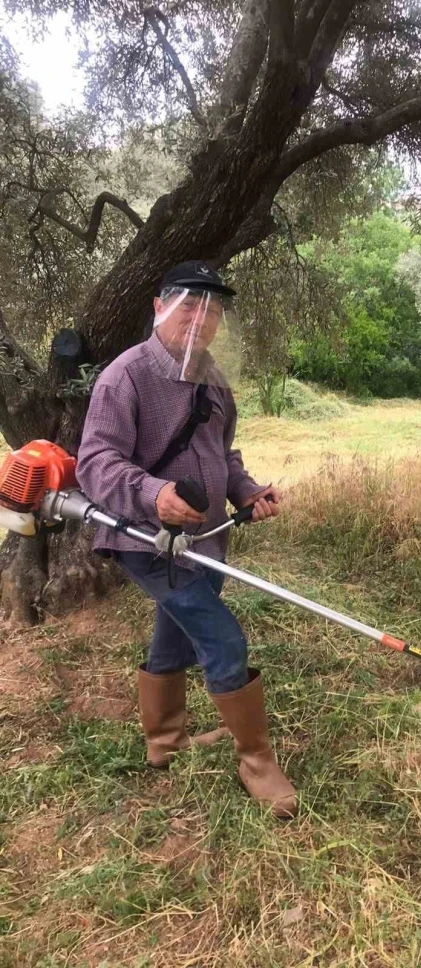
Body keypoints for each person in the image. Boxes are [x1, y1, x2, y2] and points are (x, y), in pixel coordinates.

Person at [76, 261, 297, 820]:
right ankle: (257, 761)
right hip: (147, 541)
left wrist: (246, 492)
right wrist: (153, 495)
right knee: (223, 640)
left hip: (208, 537)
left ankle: (164, 741)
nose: (201, 319)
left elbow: (224, 455)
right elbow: (95, 463)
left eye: (214, 309)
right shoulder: (124, 377)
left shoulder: (215, 381)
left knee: (174, 627)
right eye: (190, 306)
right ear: (159, 308)